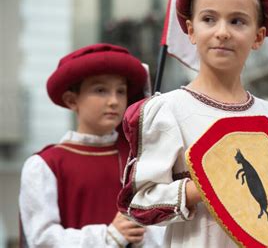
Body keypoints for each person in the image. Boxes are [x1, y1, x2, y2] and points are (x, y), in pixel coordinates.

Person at [117, 0, 268, 247]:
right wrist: (201, 187)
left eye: (237, 21)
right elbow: (140, 203)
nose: (222, 32)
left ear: (258, 36)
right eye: (209, 19)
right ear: (190, 30)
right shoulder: (168, 111)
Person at [19, 43, 164, 247]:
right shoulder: (45, 165)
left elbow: (163, 230)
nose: (114, 101)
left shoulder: (138, 159)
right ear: (71, 100)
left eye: (120, 91)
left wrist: (143, 234)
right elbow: (41, 238)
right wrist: (108, 237)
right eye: (100, 90)